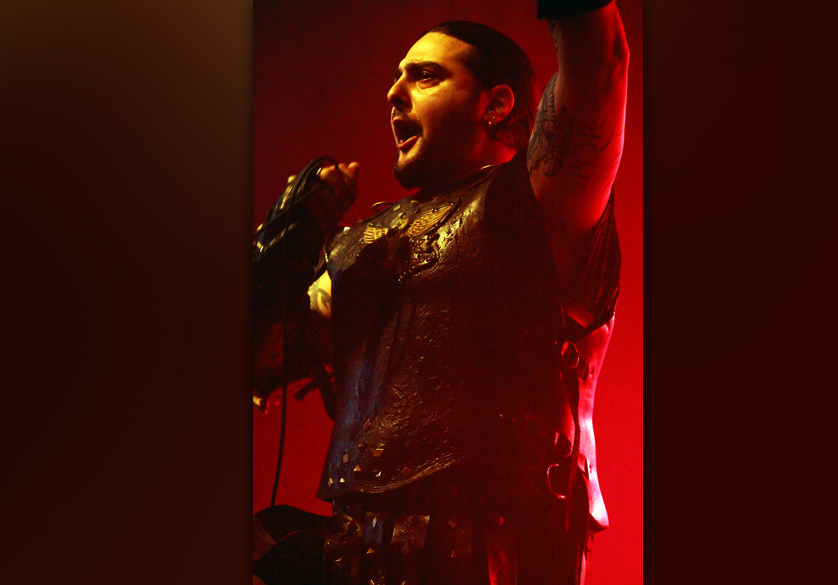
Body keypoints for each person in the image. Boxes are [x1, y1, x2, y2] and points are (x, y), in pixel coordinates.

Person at [252, 2, 628, 584]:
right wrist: (278, 261)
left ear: (496, 105)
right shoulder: (360, 247)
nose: (393, 93)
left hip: (496, 554)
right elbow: (261, 361)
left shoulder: (542, 204)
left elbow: (600, 64)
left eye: (425, 75)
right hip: (355, 555)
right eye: (396, 77)